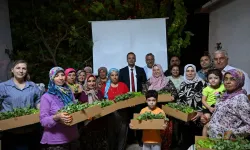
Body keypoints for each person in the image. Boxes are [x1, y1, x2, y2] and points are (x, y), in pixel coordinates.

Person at [0, 60, 42, 150]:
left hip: (31, 130)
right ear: (12, 70)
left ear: (26, 71)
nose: (21, 71)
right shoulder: (3, 87)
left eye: (24, 68)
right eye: (18, 68)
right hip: (10, 132)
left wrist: (42, 110)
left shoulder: (32, 86)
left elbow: (38, 102)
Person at [40, 67, 79, 150]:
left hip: (73, 137)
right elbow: (43, 121)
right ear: (52, 78)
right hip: (57, 142)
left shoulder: (69, 92)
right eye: (57, 76)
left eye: (62, 75)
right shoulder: (46, 97)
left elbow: (74, 110)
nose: (61, 78)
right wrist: (56, 117)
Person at [207, 69, 250, 138]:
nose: (228, 82)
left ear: (239, 81)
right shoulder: (225, 95)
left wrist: (232, 132)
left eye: (232, 79)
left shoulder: (241, 98)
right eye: (226, 79)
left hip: (226, 142)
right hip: (214, 138)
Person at [118, 52, 147, 146]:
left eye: (133, 58)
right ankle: (130, 140)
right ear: (127, 60)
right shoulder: (122, 71)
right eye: (129, 58)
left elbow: (144, 84)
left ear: (135, 59)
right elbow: (120, 86)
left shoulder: (140, 70)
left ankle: (140, 139)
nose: (131, 59)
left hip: (138, 100)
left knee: (138, 119)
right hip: (127, 101)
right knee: (128, 120)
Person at [177, 64, 206, 150]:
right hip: (185, 119)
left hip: (198, 118)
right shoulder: (182, 84)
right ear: (185, 72)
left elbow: (207, 100)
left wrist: (201, 112)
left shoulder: (202, 83)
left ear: (195, 72)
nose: (190, 73)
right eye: (188, 71)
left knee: (198, 142)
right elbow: (179, 100)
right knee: (186, 141)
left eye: (192, 71)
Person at [102, 68, 129, 150]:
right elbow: (103, 101)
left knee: (122, 135)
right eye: (112, 75)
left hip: (122, 114)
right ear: (109, 76)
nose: (115, 77)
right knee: (111, 136)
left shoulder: (123, 85)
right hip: (110, 115)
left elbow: (128, 98)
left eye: (116, 75)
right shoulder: (105, 87)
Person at [201, 69, 225, 136]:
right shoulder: (206, 89)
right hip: (208, 107)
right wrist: (209, 108)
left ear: (220, 79)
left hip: (219, 107)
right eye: (210, 78)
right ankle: (203, 140)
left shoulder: (223, 86)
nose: (213, 80)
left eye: (216, 78)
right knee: (206, 121)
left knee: (219, 123)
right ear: (207, 79)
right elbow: (203, 100)